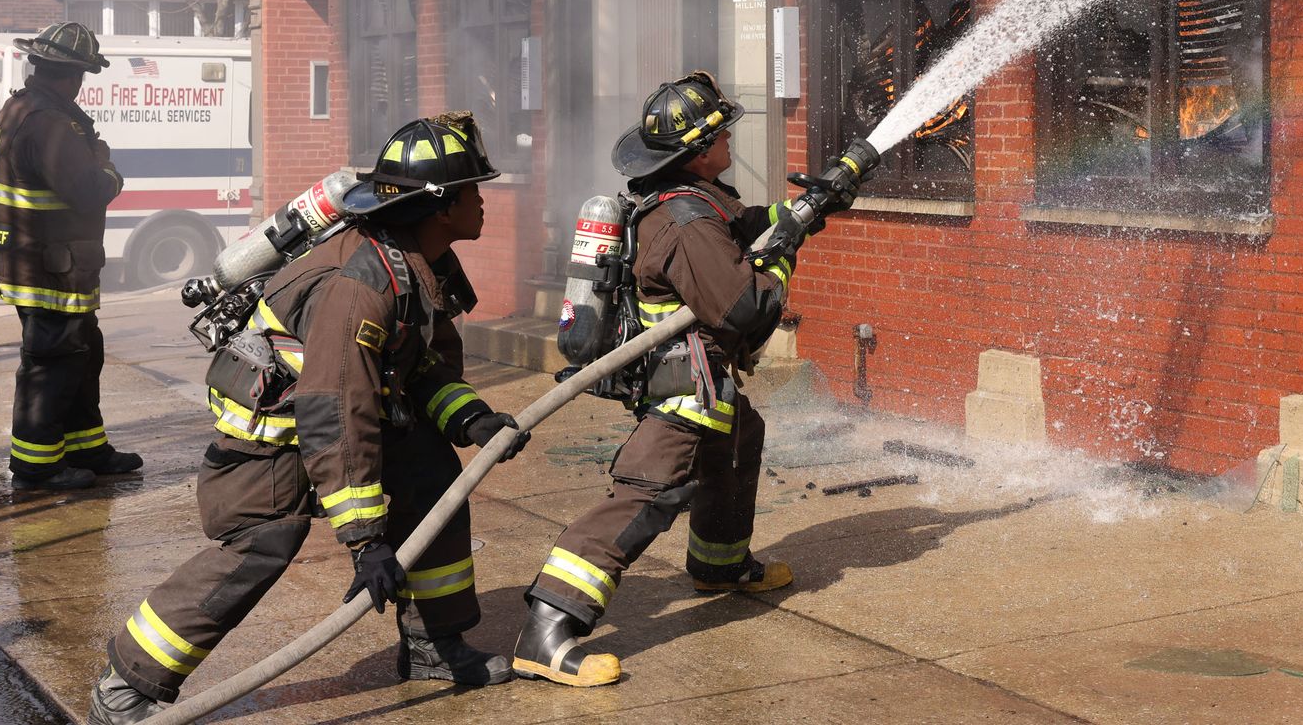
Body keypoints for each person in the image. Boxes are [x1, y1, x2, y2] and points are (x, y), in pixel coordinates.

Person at [88, 112, 531, 724]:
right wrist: (365, 540)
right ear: (440, 206)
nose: (485, 200)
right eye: (474, 190)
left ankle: (436, 646)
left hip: (336, 411)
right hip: (274, 434)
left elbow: (416, 365)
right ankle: (126, 685)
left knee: (435, 488)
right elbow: (336, 410)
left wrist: (471, 420)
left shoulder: (415, 260)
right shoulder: (360, 285)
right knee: (258, 545)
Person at [512, 72, 804, 687]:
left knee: (736, 443)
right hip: (686, 383)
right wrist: (782, 256)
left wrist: (806, 209)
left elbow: (745, 225)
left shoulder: (689, 200)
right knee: (646, 491)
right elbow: (745, 308)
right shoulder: (685, 222)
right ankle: (548, 629)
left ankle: (719, 565)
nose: (731, 140)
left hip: (704, 376)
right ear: (701, 151)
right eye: (723, 132)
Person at [0, 22, 131, 490]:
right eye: (83, 75)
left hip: (47, 261)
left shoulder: (19, 107)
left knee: (83, 354)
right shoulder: (49, 123)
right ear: (71, 75)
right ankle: (37, 465)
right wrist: (107, 167)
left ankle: (88, 447)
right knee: (53, 361)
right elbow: (89, 191)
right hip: (49, 266)